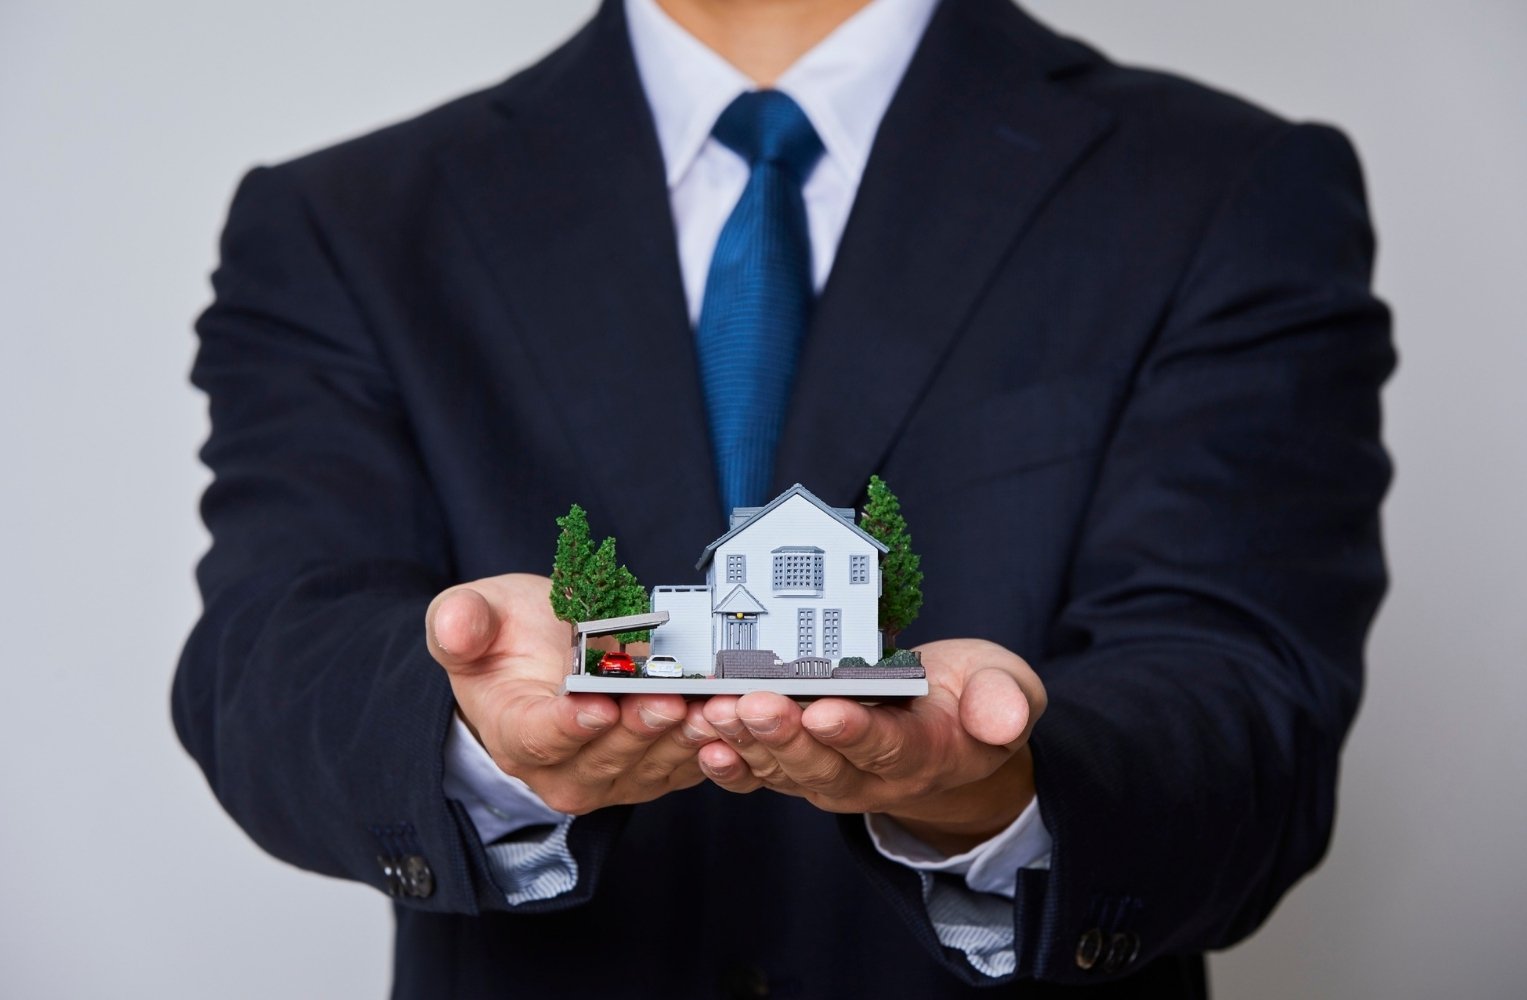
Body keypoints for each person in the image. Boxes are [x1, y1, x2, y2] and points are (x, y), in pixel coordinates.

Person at [172, 0, 1393, 996]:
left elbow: (1248, 698)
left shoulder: (1225, 189)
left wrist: (986, 787)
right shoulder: (349, 221)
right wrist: (480, 736)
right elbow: (267, 662)